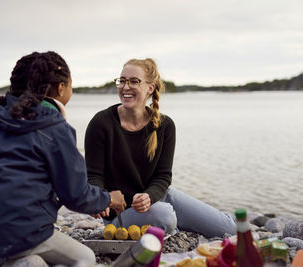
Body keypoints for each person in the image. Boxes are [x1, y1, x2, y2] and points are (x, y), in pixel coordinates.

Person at [0, 51, 126, 267]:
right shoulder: (55, 129)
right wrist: (108, 199)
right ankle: (14, 261)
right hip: (26, 231)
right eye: (71, 86)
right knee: (84, 257)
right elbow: (75, 195)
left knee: (21, 253)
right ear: (61, 88)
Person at [85, 58, 236, 238]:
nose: (125, 87)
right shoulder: (101, 123)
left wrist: (149, 196)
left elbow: (163, 176)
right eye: (122, 80)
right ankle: (172, 227)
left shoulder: (165, 125)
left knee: (231, 230)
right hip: (121, 214)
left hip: (159, 195)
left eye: (134, 81)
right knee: (165, 216)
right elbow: (93, 175)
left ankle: (175, 224)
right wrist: (101, 198)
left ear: (150, 88)